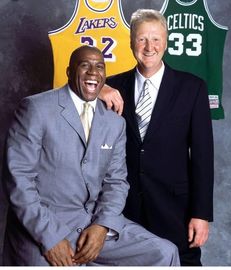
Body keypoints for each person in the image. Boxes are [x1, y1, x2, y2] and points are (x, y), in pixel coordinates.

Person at [2, 45, 180, 266]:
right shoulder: (36, 109)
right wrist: (50, 238)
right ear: (69, 72)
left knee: (164, 252)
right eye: (84, 65)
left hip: (93, 224)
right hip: (47, 226)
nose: (93, 72)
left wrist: (102, 225)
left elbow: (116, 182)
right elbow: (17, 180)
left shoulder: (115, 122)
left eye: (99, 67)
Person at [99, 9, 214, 266]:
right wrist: (99, 88)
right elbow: (73, 95)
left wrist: (201, 214)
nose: (149, 46)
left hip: (175, 208)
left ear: (166, 42)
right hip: (125, 207)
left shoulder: (192, 88)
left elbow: (203, 156)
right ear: (131, 43)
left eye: (156, 39)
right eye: (141, 39)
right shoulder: (113, 87)